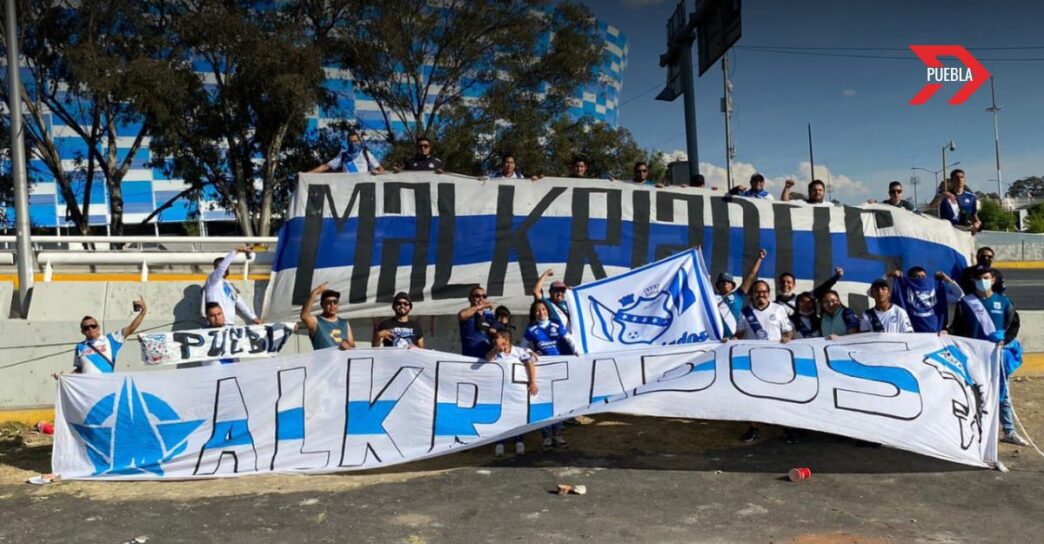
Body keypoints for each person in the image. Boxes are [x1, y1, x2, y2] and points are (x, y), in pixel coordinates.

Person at [948, 267, 1028, 446]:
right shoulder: (966, 303)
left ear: (993, 280)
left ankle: (1009, 431)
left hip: (998, 355)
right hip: (975, 356)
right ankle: (977, 431)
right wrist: (947, 332)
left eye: (985, 278)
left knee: (1003, 394)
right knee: (975, 393)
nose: (982, 281)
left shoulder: (1004, 301)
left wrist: (1006, 339)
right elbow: (958, 327)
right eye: (978, 278)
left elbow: (1014, 324)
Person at [734, 280, 795, 443]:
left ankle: (786, 428)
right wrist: (730, 340)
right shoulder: (745, 312)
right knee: (753, 395)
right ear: (752, 294)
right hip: (753, 361)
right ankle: (754, 428)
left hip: (777, 360)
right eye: (757, 292)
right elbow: (739, 333)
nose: (761, 295)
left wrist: (787, 339)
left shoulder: (779, 309)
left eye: (763, 292)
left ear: (768, 293)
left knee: (780, 395)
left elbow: (789, 331)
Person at [524, 300, 577, 450]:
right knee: (546, 403)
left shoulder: (556, 326)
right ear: (534, 313)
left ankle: (558, 434)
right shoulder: (531, 329)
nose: (541, 312)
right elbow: (523, 347)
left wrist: (577, 352)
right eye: (538, 310)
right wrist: (530, 352)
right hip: (542, 370)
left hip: (558, 368)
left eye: (543, 309)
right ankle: (546, 436)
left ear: (547, 311)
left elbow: (569, 339)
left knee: (559, 403)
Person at [487, 329, 539, 457]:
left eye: (497, 338)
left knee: (517, 415)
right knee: (502, 416)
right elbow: (487, 359)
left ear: (505, 340)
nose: (495, 340)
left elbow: (530, 364)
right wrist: (495, 351)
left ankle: (519, 440)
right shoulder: (495, 353)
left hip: (516, 391)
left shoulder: (519, 351)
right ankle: (500, 442)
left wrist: (532, 382)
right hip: (501, 391)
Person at [70, 298, 147, 374]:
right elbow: (79, 369)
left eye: (93, 326)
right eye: (86, 327)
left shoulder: (110, 340)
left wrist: (142, 313)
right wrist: (64, 377)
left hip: (106, 384)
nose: (90, 329)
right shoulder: (80, 346)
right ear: (82, 331)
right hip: (87, 385)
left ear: (98, 327)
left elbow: (130, 329)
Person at [890, 267, 964, 333]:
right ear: (910, 279)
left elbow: (959, 296)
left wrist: (947, 279)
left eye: (923, 276)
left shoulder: (937, 292)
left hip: (934, 335)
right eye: (917, 277)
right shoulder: (903, 293)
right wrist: (889, 275)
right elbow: (881, 292)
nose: (921, 279)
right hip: (912, 335)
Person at [204, 245, 261, 326]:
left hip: (230, 325)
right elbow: (221, 268)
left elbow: (239, 302)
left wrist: (253, 318)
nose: (227, 269)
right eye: (226, 267)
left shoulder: (228, 285)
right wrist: (236, 251)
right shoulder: (212, 281)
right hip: (217, 326)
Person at [715, 249, 765, 336]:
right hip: (714, 338)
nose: (725, 283)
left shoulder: (738, 295)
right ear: (718, 285)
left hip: (734, 339)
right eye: (722, 282)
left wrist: (759, 259)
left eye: (728, 282)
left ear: (732, 286)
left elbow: (751, 275)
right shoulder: (711, 297)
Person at [299, 283, 355, 351]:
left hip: (341, 360)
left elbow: (352, 346)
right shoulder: (316, 321)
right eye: (328, 302)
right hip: (323, 361)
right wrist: (314, 294)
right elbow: (304, 316)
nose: (332, 305)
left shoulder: (344, 323)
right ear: (322, 305)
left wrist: (347, 347)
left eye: (335, 302)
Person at [309, 131, 383, 175]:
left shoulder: (366, 154)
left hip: (364, 191)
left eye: (355, 141)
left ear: (359, 141)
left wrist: (378, 173)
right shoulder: (343, 155)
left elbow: (381, 169)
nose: (353, 143)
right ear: (347, 142)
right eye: (351, 141)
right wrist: (308, 174)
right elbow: (326, 166)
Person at [459, 285, 498, 358]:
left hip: (488, 360)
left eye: (484, 296)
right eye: (477, 296)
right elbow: (462, 315)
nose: (481, 298)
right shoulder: (468, 313)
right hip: (471, 359)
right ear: (470, 298)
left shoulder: (489, 317)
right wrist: (481, 306)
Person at [201, 302, 237, 366]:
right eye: (212, 316)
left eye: (219, 314)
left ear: (223, 314)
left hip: (234, 370)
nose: (217, 318)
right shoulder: (202, 335)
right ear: (207, 318)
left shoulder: (234, 330)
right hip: (213, 372)